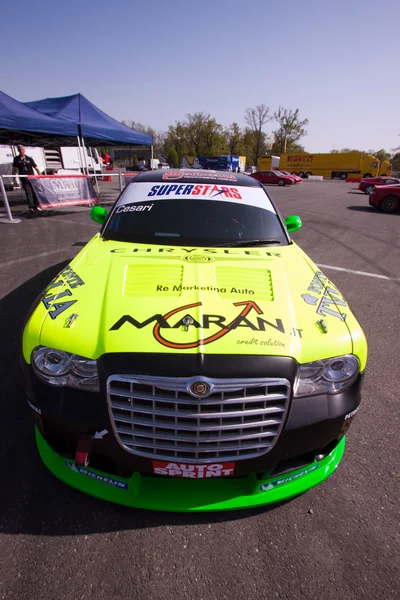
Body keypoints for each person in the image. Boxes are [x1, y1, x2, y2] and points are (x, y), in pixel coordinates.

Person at [12, 145, 41, 212]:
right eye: (20, 150)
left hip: (32, 178)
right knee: (28, 192)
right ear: (18, 151)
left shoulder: (29, 159)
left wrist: (40, 175)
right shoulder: (16, 159)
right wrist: (14, 178)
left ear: (24, 150)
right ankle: (31, 207)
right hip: (24, 179)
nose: (21, 151)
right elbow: (14, 169)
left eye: (22, 149)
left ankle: (37, 206)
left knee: (34, 192)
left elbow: (35, 167)